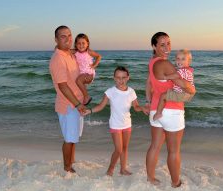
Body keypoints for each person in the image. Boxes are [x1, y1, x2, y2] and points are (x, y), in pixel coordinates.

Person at [145, 32, 196, 187]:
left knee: (154, 146)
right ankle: (175, 182)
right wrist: (192, 89)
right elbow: (182, 84)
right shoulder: (165, 64)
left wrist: (149, 101)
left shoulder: (152, 62)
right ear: (154, 46)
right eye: (162, 44)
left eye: (168, 43)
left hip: (156, 109)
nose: (167, 47)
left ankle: (151, 178)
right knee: (174, 151)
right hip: (172, 111)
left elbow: (148, 83)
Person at [83, 66, 149, 176]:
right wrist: (89, 111)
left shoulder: (131, 91)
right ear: (114, 78)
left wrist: (142, 108)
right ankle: (110, 169)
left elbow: (136, 107)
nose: (121, 80)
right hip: (115, 124)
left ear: (128, 78)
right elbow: (100, 106)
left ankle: (123, 169)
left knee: (125, 148)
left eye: (123, 77)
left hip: (127, 123)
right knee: (118, 149)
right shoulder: (110, 92)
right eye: (118, 77)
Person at [49, 25, 85, 173]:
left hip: (76, 102)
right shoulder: (58, 59)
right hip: (69, 105)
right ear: (56, 39)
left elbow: (74, 78)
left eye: (69, 35)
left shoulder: (69, 54)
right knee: (69, 139)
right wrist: (77, 105)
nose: (68, 39)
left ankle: (71, 161)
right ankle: (67, 167)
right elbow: (63, 86)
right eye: (63, 36)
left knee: (74, 136)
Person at [153, 49, 195, 121]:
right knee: (169, 93)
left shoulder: (184, 70)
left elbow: (176, 75)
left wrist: (165, 77)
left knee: (163, 96)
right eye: (178, 59)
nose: (180, 61)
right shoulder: (186, 70)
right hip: (185, 93)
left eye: (183, 59)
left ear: (189, 62)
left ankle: (158, 113)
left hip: (183, 93)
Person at [74, 33, 102, 106]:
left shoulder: (88, 52)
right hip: (82, 73)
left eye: (83, 43)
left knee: (78, 81)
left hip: (89, 73)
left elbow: (99, 56)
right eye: (79, 43)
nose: (81, 45)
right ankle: (83, 98)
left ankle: (87, 96)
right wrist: (57, 47)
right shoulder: (75, 52)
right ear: (76, 44)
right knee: (79, 82)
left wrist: (94, 64)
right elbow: (66, 51)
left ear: (87, 44)